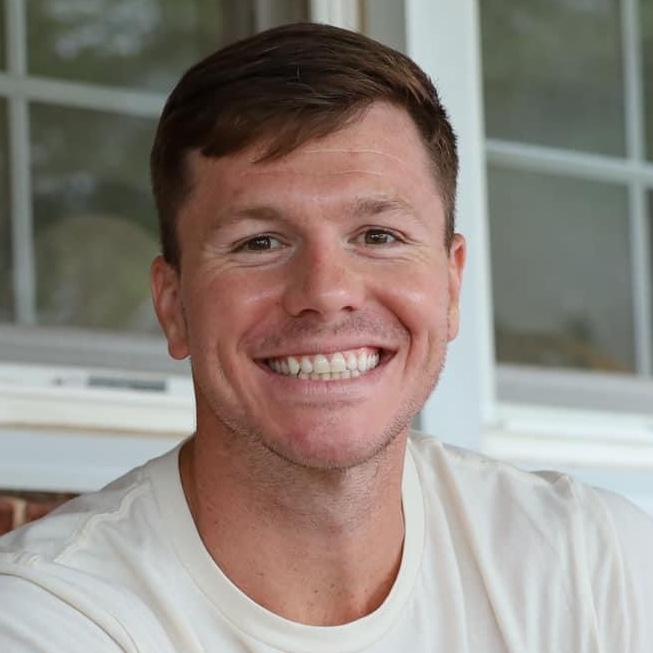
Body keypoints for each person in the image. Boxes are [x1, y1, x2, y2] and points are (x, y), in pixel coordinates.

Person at [1, 22, 652, 652]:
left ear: (452, 286)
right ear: (173, 305)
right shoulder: (48, 615)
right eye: (260, 242)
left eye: (378, 236)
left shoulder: (593, 567)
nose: (324, 291)